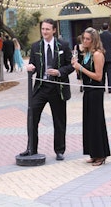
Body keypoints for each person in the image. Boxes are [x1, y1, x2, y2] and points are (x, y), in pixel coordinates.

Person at [19, 18, 74, 160]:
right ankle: (31, 148)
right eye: (43, 29)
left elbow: (70, 65)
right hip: (41, 87)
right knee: (32, 117)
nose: (44, 32)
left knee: (59, 120)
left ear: (54, 30)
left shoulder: (63, 45)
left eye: (47, 29)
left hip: (57, 88)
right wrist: (30, 67)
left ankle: (59, 150)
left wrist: (59, 72)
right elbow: (32, 64)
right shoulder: (36, 46)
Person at [71, 27, 110, 166]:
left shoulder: (98, 54)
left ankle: (101, 154)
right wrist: (77, 68)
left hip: (95, 91)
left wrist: (81, 68)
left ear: (94, 40)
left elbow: (98, 76)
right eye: (84, 38)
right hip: (87, 90)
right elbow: (83, 76)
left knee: (96, 121)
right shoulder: (86, 54)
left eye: (88, 39)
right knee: (89, 122)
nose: (85, 41)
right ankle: (93, 152)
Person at [100, 22, 111, 93]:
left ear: (102, 28)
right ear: (108, 27)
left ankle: (102, 87)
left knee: (102, 72)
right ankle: (110, 88)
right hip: (109, 56)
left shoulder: (99, 36)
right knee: (109, 73)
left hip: (101, 56)